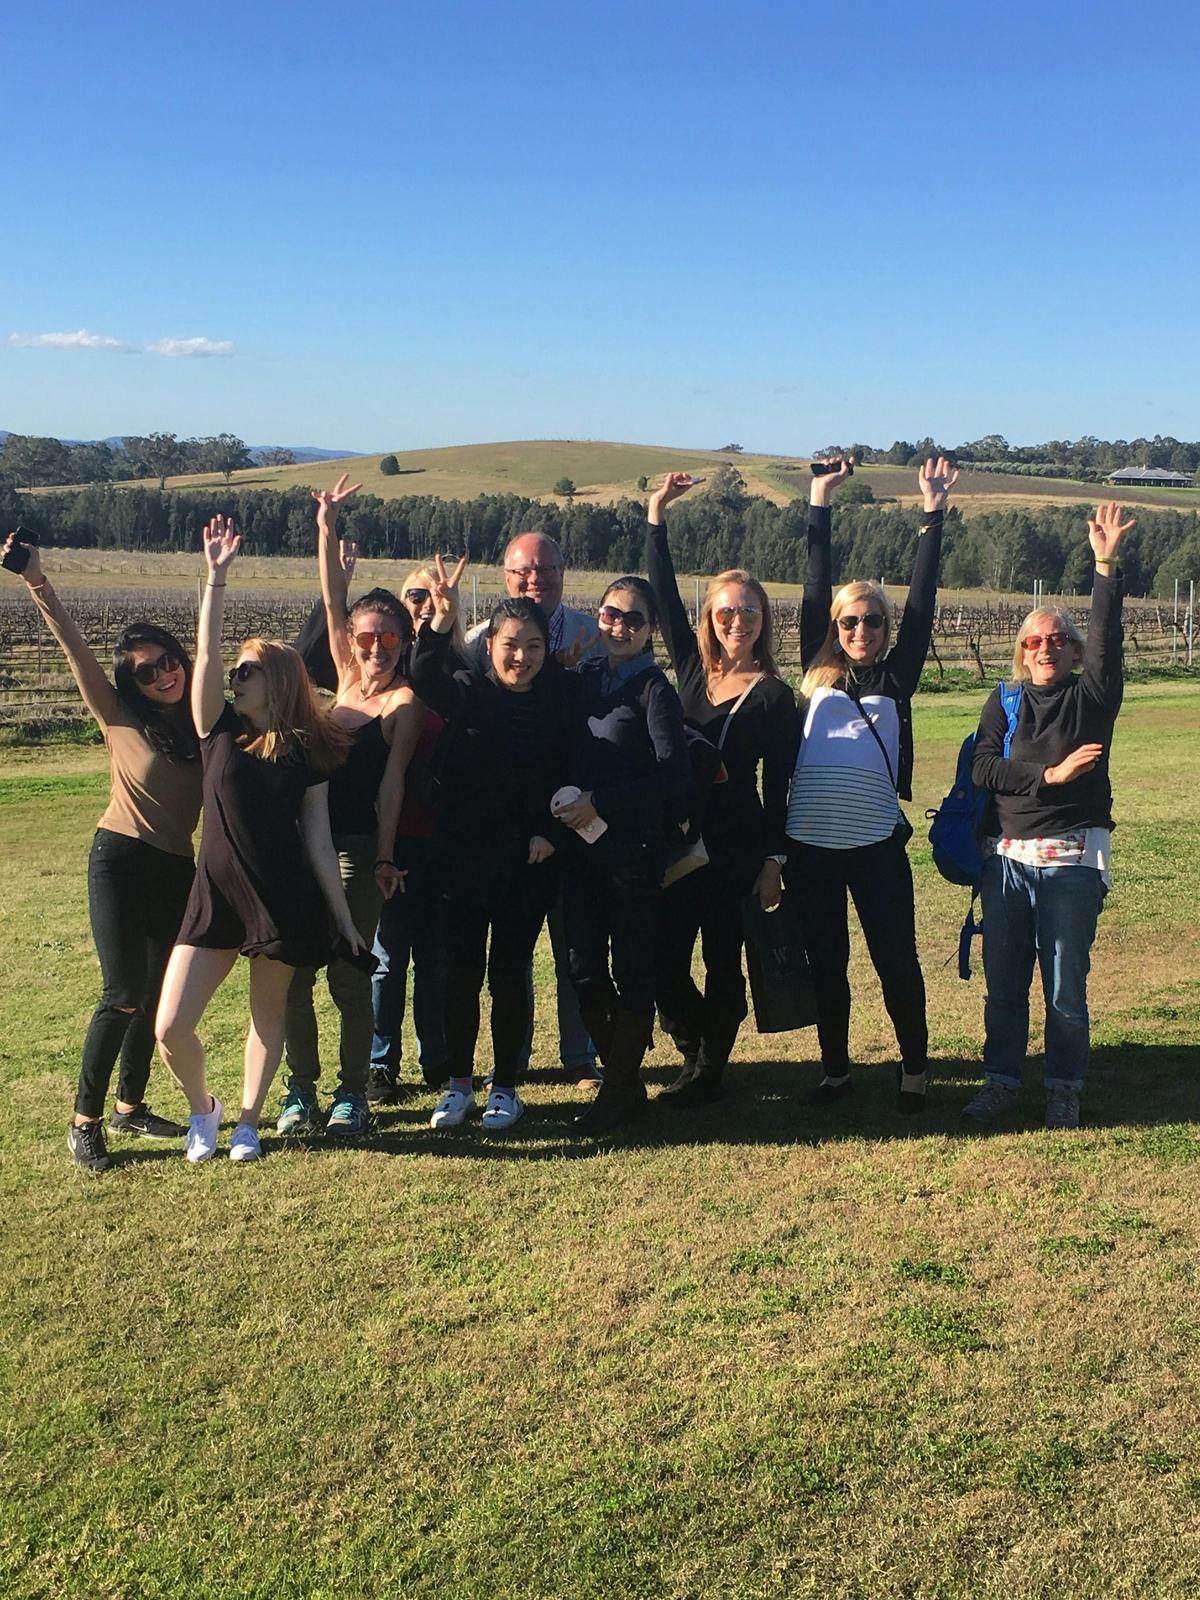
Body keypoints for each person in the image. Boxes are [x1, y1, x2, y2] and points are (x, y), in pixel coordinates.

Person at [154, 516, 366, 1163]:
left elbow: (321, 846)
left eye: (248, 671)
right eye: (236, 672)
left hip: (281, 900)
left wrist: (346, 923)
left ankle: (248, 1120)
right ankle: (205, 1111)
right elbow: (209, 651)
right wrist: (216, 578)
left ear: (275, 680)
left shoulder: (307, 754)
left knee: (266, 1018)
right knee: (170, 1028)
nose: (235, 678)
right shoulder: (215, 728)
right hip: (215, 897)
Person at [2, 532, 202, 1174]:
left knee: (156, 995)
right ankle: (84, 1123)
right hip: (119, 858)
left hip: (176, 867)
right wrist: (37, 579)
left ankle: (130, 1107)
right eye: (146, 670)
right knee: (120, 990)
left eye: (168, 659)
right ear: (130, 681)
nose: (162, 673)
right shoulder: (116, 715)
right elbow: (71, 643)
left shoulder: (203, 718)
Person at [786, 456, 956, 1114]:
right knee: (826, 962)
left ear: (887, 632)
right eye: (849, 622)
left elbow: (923, 598)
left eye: (872, 622)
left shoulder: (897, 677)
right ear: (833, 627)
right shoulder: (813, 670)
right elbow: (813, 582)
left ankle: (914, 1069)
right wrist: (819, 499)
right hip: (809, 847)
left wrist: (931, 516)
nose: (861, 631)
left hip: (876, 846)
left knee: (896, 962)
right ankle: (836, 1073)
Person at [964, 503, 1134, 1131]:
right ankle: (1001, 1083)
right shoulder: (1003, 700)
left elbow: (1108, 641)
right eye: (1033, 641)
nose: (1045, 648)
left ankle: (1064, 1087)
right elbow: (983, 767)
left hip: (1071, 863)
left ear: (1072, 649)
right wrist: (1049, 777)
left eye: (1058, 639)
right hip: (1007, 864)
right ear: (1021, 651)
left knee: (1065, 986)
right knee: (1004, 985)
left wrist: (1105, 565)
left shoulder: (1091, 698)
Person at [644, 473, 800, 1106]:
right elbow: (661, 589)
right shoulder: (690, 670)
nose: (737, 620)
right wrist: (656, 516)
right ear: (711, 618)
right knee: (661, 959)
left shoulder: (775, 696)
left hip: (735, 845)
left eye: (749, 610)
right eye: (726, 611)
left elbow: (782, 783)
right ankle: (693, 1043)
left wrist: (774, 861)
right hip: (677, 839)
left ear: (764, 619)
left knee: (722, 960)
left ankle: (709, 1070)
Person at [405, 555, 572, 1132]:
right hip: (463, 861)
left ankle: (505, 1085)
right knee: (461, 975)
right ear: (491, 645)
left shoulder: (561, 700)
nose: (520, 657)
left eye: (531, 645)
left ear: (545, 650)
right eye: (509, 644)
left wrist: (549, 832)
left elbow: (571, 772)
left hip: (529, 864)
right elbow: (422, 673)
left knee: (508, 974)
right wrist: (439, 620)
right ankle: (458, 1085)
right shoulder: (467, 691)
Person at [279, 477, 425, 1138]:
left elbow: (393, 783)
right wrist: (326, 526)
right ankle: (298, 1092)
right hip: (299, 843)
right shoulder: (340, 671)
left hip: (355, 848)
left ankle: (351, 1095)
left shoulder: (402, 705)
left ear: (404, 642)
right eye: (367, 637)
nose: (372, 648)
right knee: (291, 976)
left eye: (388, 640)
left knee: (347, 974)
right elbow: (333, 602)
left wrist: (387, 856)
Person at [555, 577, 691, 1134]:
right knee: (583, 966)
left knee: (632, 966)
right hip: (580, 849)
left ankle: (616, 1090)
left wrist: (600, 800)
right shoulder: (583, 678)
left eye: (633, 620)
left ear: (650, 629)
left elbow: (674, 777)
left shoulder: (654, 688)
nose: (619, 626)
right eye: (611, 614)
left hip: (633, 849)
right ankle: (626, 1079)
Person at [466, 532, 600, 1082]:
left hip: (577, 815)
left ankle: (580, 1056)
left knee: (575, 948)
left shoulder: (595, 633)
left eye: (546, 569)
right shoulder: (478, 641)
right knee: (512, 955)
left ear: (564, 573)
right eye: (523, 571)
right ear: (505, 576)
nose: (535, 579)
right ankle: (512, 1061)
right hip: (509, 828)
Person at [365, 564, 455, 1102]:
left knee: (435, 957)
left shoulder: (451, 670)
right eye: (414, 595)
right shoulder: (378, 685)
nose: (424, 602)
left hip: (440, 839)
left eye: (433, 596)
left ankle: (438, 1059)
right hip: (391, 840)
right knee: (388, 957)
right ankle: (381, 1064)